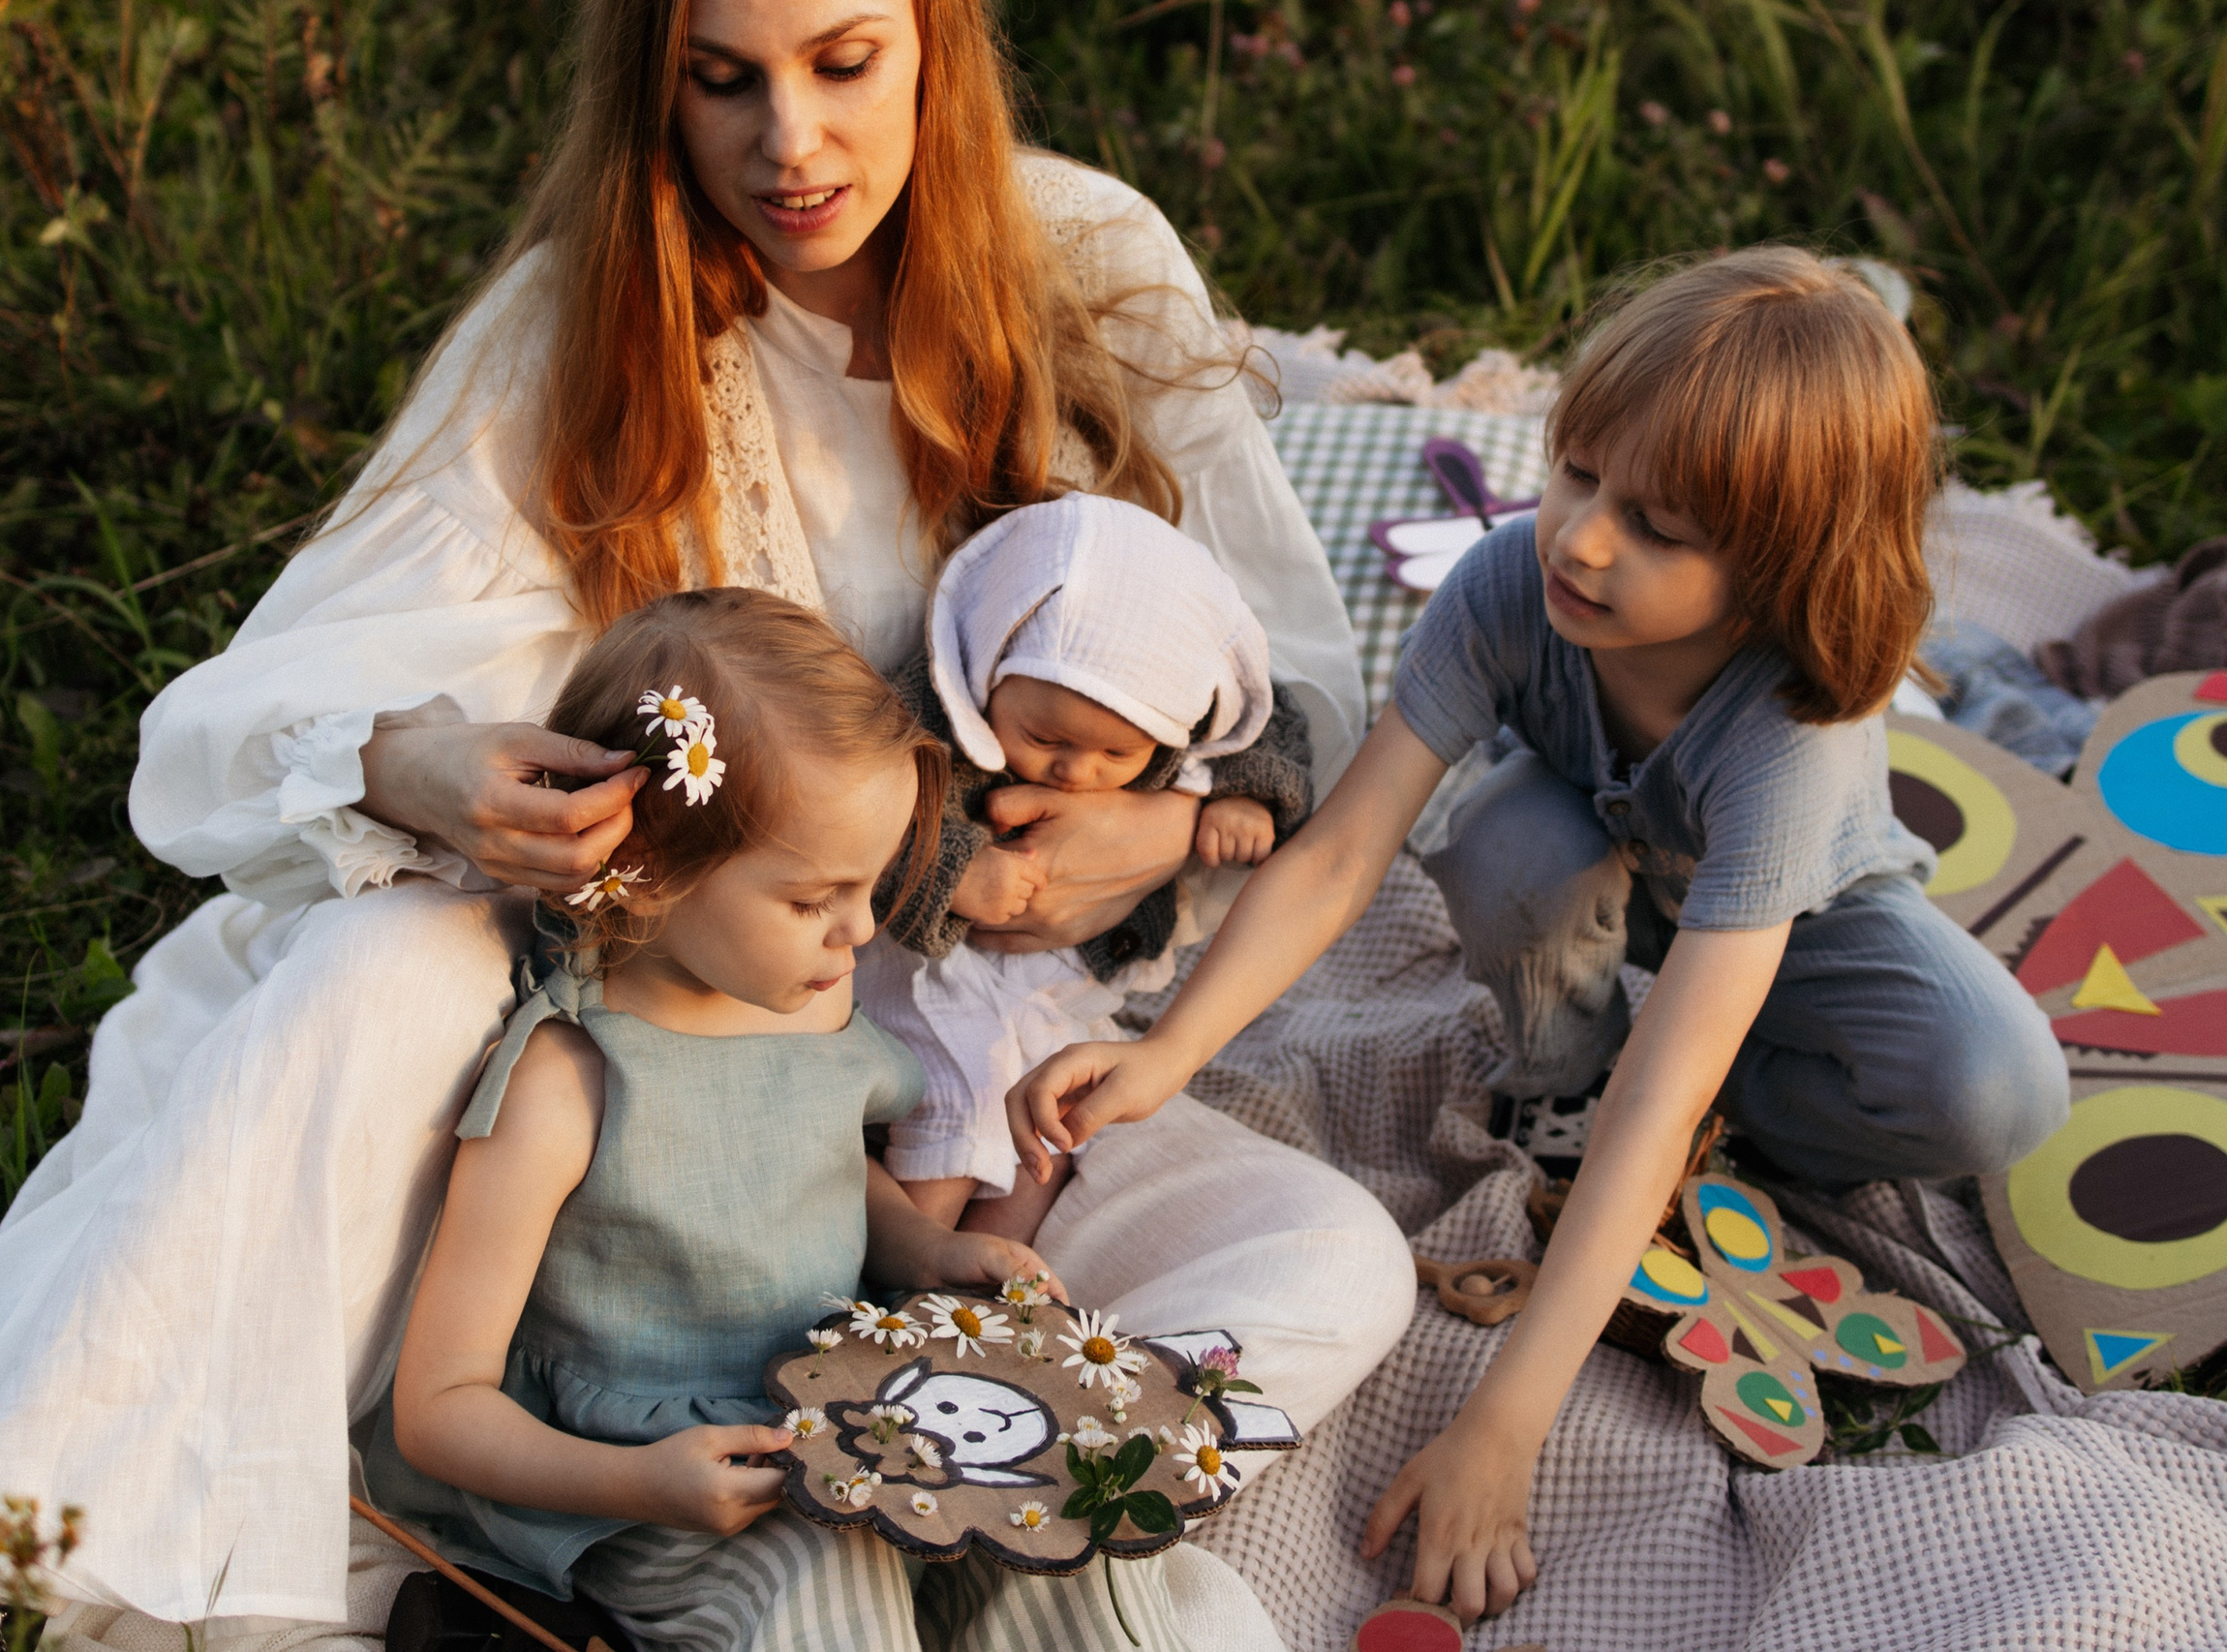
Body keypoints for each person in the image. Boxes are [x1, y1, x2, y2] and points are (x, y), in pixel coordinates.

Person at [0, 0, 1411, 1635]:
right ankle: (575, 1496)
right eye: (721, 80)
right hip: (682, 1075)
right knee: (386, 963)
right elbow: (259, 709)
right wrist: (424, 764)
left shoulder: (1088, 258)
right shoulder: (589, 321)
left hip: (982, 1078)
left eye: (843, 64)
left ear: (936, 45)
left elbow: (1293, 685)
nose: (789, 144)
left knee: (1336, 1258)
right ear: (652, 85)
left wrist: (1160, 836)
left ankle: (961, 1467)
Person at [1007, 248, 2072, 1623]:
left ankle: (1715, 1104)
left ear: (1777, 573)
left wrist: (1505, 1427)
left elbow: (1666, 1091)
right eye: (1576, 472)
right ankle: (1565, 1065)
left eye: (1659, 528)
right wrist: (1170, 1055)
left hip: (1795, 921)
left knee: (1996, 1087)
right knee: (1507, 844)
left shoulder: (1788, 732)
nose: (1581, 539)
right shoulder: (1513, 581)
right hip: (1586, 853)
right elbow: (1339, 854)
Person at [364, 588, 1176, 1649]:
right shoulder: (570, 1082)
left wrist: (930, 1248)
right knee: (829, 1585)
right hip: (665, 1490)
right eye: (810, 899)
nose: (861, 929)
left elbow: (820, 1166)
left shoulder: (811, 1000)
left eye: (870, 885)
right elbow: (439, 1406)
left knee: (1070, 1553)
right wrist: (638, 1482)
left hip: (856, 1415)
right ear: (647, 870)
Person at [859, 491, 1313, 1243]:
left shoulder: (1184, 696)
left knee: (1055, 1111)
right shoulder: (928, 714)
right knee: (965, 1095)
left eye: (1117, 754)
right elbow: (865, 815)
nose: (1076, 770)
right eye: (1045, 738)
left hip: (1053, 984)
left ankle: (1000, 1267)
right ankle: (913, 1260)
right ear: (988, 671)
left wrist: (1244, 798)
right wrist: (954, 873)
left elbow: (1267, 724)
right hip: (934, 972)